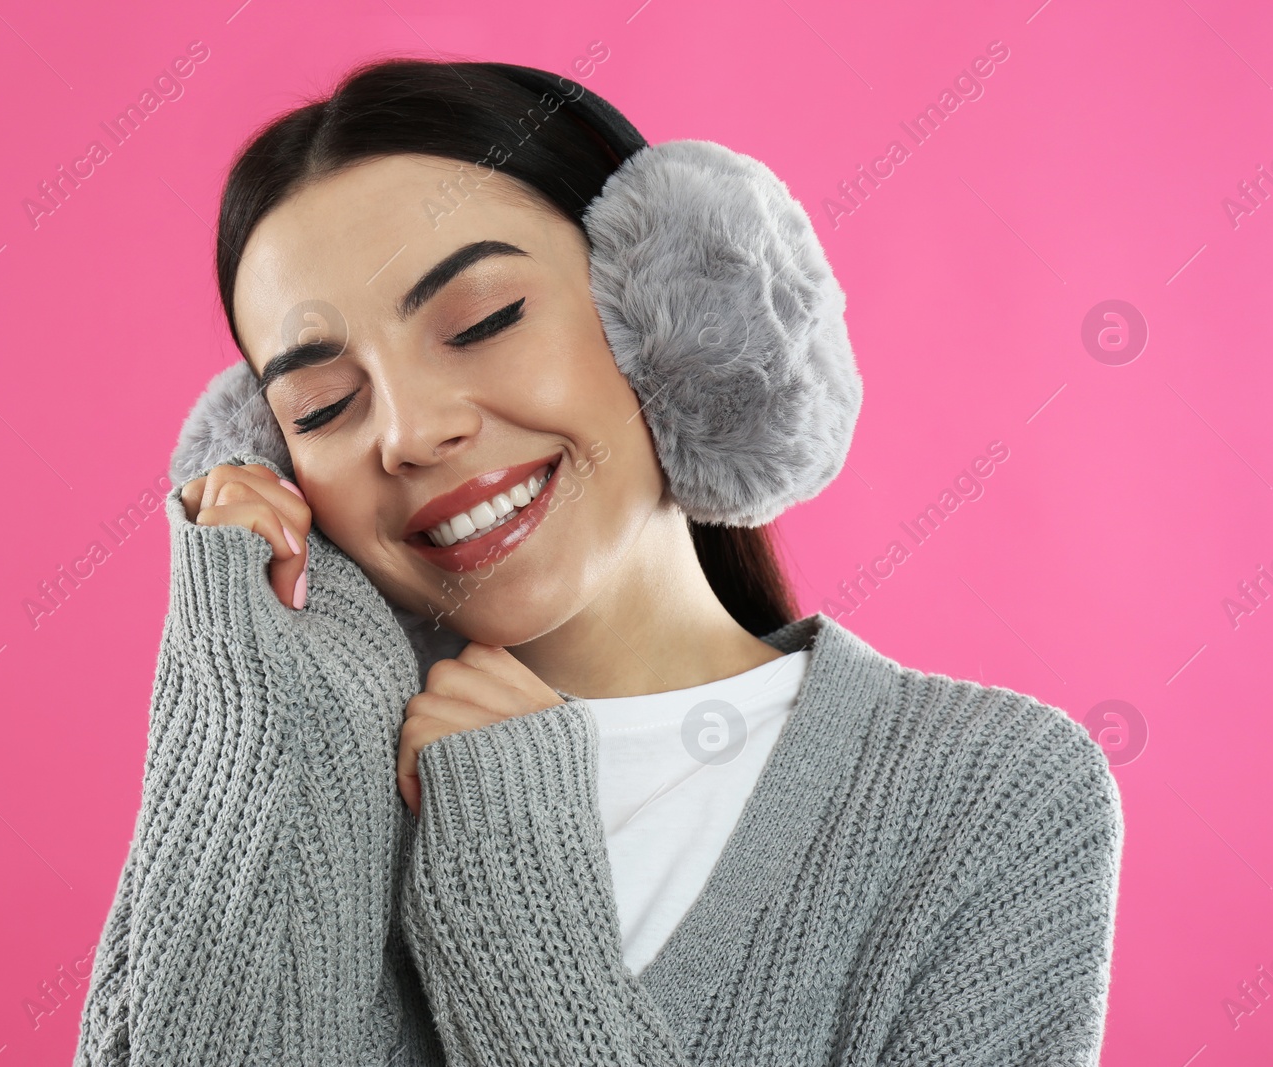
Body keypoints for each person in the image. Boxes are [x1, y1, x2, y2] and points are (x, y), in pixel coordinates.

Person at [73, 57, 1122, 1066]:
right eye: (323, 406)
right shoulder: (283, 770)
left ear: (668, 314)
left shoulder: (987, 790)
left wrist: (514, 881)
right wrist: (248, 677)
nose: (410, 431)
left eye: (481, 320)